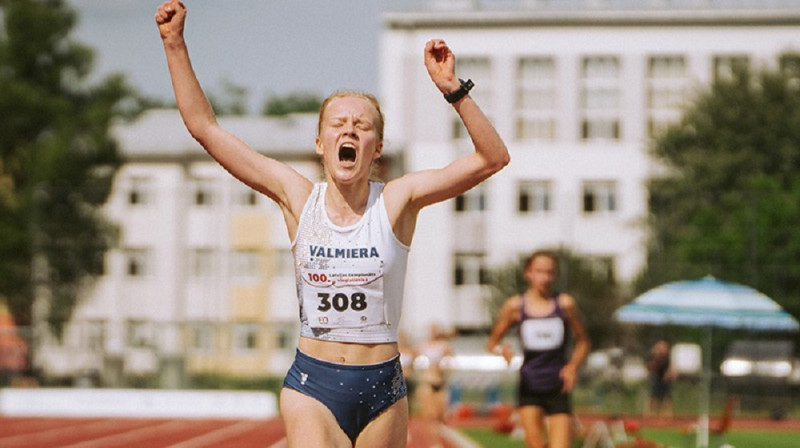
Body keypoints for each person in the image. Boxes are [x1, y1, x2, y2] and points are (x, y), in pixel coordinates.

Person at [155, 2, 510, 447]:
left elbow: (492, 158)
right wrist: (174, 44)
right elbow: (204, 127)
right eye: (339, 124)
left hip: (383, 386)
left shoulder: (398, 200)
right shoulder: (298, 196)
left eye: (362, 126)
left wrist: (454, 90)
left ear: (376, 146)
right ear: (321, 143)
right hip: (314, 384)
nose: (350, 131)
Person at [486, 250, 590, 448]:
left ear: (555, 274)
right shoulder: (515, 306)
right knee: (535, 445)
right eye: (539, 271)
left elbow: (583, 341)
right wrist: (503, 351)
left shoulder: (565, 304)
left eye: (550, 272)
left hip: (558, 384)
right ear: (528, 273)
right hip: (530, 384)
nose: (545, 277)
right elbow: (492, 343)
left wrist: (572, 366)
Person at [414, 323, 455, 448]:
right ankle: (434, 443)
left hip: (440, 382)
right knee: (429, 415)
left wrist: (442, 366)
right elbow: (415, 362)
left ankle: (438, 440)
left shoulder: (445, 346)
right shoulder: (422, 346)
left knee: (440, 415)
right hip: (427, 382)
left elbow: (451, 362)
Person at [646, 339, 674, 419]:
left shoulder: (667, 358)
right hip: (656, 378)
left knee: (667, 398)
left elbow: (671, 368)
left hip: (666, 380)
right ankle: (651, 415)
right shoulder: (653, 357)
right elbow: (650, 367)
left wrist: (669, 374)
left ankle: (667, 416)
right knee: (653, 397)